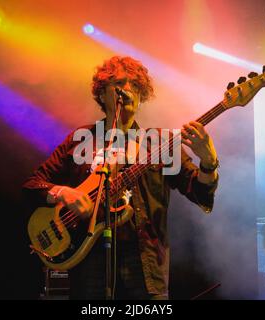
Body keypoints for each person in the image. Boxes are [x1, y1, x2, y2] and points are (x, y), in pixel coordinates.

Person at [22, 56, 219, 300]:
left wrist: (209, 162)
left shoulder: (159, 144)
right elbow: (33, 185)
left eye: (134, 85)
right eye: (117, 84)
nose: (126, 90)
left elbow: (199, 193)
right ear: (101, 94)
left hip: (145, 263)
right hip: (87, 259)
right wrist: (63, 193)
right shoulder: (80, 139)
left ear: (141, 95)